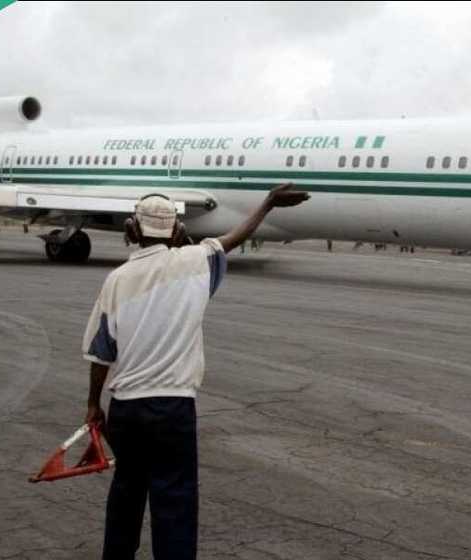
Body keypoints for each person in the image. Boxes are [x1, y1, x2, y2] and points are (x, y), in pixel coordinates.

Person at [82, 184, 308, 560]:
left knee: (127, 492)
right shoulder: (195, 265)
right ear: (176, 230)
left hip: (127, 410)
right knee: (176, 499)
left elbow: (101, 352)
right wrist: (267, 204)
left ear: (131, 230)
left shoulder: (117, 279)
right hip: (173, 409)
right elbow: (234, 238)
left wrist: (93, 405)